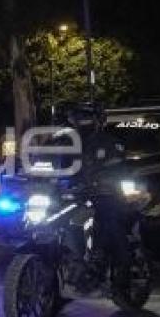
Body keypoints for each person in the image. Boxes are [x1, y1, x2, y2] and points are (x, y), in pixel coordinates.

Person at [62, 102, 132, 290]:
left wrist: (104, 181)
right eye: (77, 118)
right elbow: (53, 165)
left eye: (85, 117)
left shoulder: (109, 142)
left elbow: (118, 166)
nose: (81, 122)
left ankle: (120, 267)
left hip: (102, 193)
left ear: (97, 120)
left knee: (108, 218)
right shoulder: (66, 143)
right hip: (73, 194)